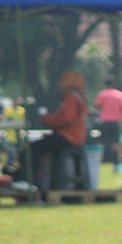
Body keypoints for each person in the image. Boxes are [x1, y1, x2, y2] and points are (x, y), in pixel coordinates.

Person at [32, 71, 89, 199]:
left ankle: (36, 183)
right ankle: (53, 184)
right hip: (76, 137)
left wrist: (47, 120)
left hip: (68, 136)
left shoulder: (71, 97)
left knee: (35, 147)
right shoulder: (79, 96)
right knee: (53, 151)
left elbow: (66, 119)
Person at [94, 77, 122, 170]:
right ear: (115, 84)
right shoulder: (120, 94)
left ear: (105, 85)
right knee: (115, 143)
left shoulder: (101, 94)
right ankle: (117, 162)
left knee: (102, 141)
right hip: (116, 121)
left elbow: (97, 106)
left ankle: (100, 160)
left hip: (104, 121)